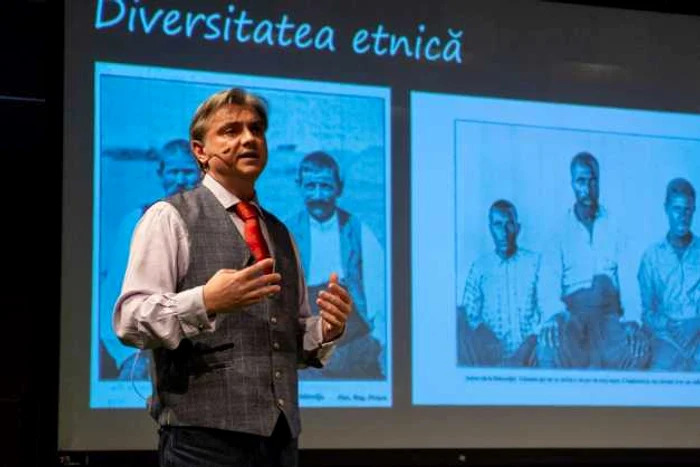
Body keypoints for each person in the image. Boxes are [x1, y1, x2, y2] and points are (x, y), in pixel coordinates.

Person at [113, 88, 353, 467]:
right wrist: (206, 300)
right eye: (230, 131)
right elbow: (130, 320)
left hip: (280, 441)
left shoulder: (280, 232)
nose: (249, 139)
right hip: (202, 444)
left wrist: (327, 330)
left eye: (256, 129)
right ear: (199, 151)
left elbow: (284, 339)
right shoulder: (169, 217)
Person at [99, 138, 201, 380]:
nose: (180, 180)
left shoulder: (213, 224)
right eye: (173, 172)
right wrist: (124, 358)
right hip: (144, 357)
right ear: (161, 173)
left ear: (201, 174)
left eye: (187, 172)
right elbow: (113, 295)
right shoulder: (136, 220)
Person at [537, 152, 649, 369]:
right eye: (581, 181)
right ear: (572, 183)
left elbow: (628, 279)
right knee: (548, 350)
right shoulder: (558, 231)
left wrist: (633, 320)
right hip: (573, 317)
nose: (587, 188)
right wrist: (553, 314)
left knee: (638, 351)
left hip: (609, 317)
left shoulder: (616, 227)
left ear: (599, 181)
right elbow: (548, 282)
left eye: (592, 180)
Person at [285, 151, 385, 379]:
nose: (318, 195)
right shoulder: (286, 231)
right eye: (311, 186)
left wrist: (378, 337)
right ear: (300, 186)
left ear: (339, 188)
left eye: (326, 186)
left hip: (352, 333)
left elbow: (378, 288)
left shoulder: (358, 230)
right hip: (305, 333)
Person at [457, 200, 541, 367]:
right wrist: (484, 334)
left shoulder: (535, 264)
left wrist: (528, 346)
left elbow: (546, 309)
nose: (503, 232)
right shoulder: (480, 268)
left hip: (532, 358)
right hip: (490, 359)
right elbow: (470, 313)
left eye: (509, 224)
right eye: (497, 225)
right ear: (490, 229)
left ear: (518, 228)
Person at [638, 178, 700, 371]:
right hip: (666, 339)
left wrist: (696, 323)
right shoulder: (651, 257)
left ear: (694, 210)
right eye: (677, 209)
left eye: (687, 210)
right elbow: (647, 312)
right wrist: (669, 326)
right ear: (666, 209)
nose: (682, 216)